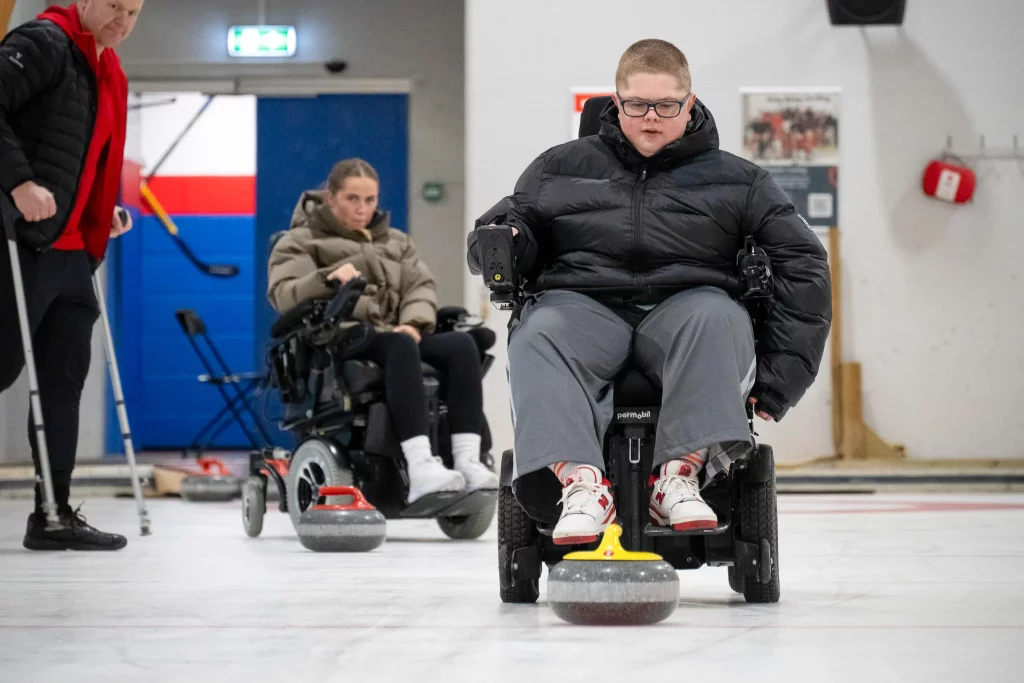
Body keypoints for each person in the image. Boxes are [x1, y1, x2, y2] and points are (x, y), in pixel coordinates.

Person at [468, 39, 831, 545]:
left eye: (666, 105)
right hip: (583, 309)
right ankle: (581, 485)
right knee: (539, 329)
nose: (651, 118)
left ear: (690, 102)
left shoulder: (740, 180)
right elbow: (503, 230)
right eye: (637, 105)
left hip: (686, 312)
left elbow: (803, 264)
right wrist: (504, 241)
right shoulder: (557, 168)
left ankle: (680, 477)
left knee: (717, 315)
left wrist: (781, 376)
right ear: (616, 104)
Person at [0, 0, 145, 551]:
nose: (123, 20)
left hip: (70, 253)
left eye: (134, 11)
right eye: (113, 5)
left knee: (62, 386)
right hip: (17, 240)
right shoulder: (43, 43)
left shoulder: (107, 69)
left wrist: (94, 209)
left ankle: (53, 515)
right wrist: (18, 183)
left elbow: (83, 157)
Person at [268, 158, 498, 504]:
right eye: (352, 199)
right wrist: (326, 279)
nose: (362, 209)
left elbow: (420, 286)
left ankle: (467, 459)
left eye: (369, 200)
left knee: (462, 344)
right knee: (399, 346)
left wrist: (415, 321)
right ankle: (420, 465)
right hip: (341, 336)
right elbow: (284, 293)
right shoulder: (300, 240)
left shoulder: (396, 241)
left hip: (395, 332)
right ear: (330, 198)